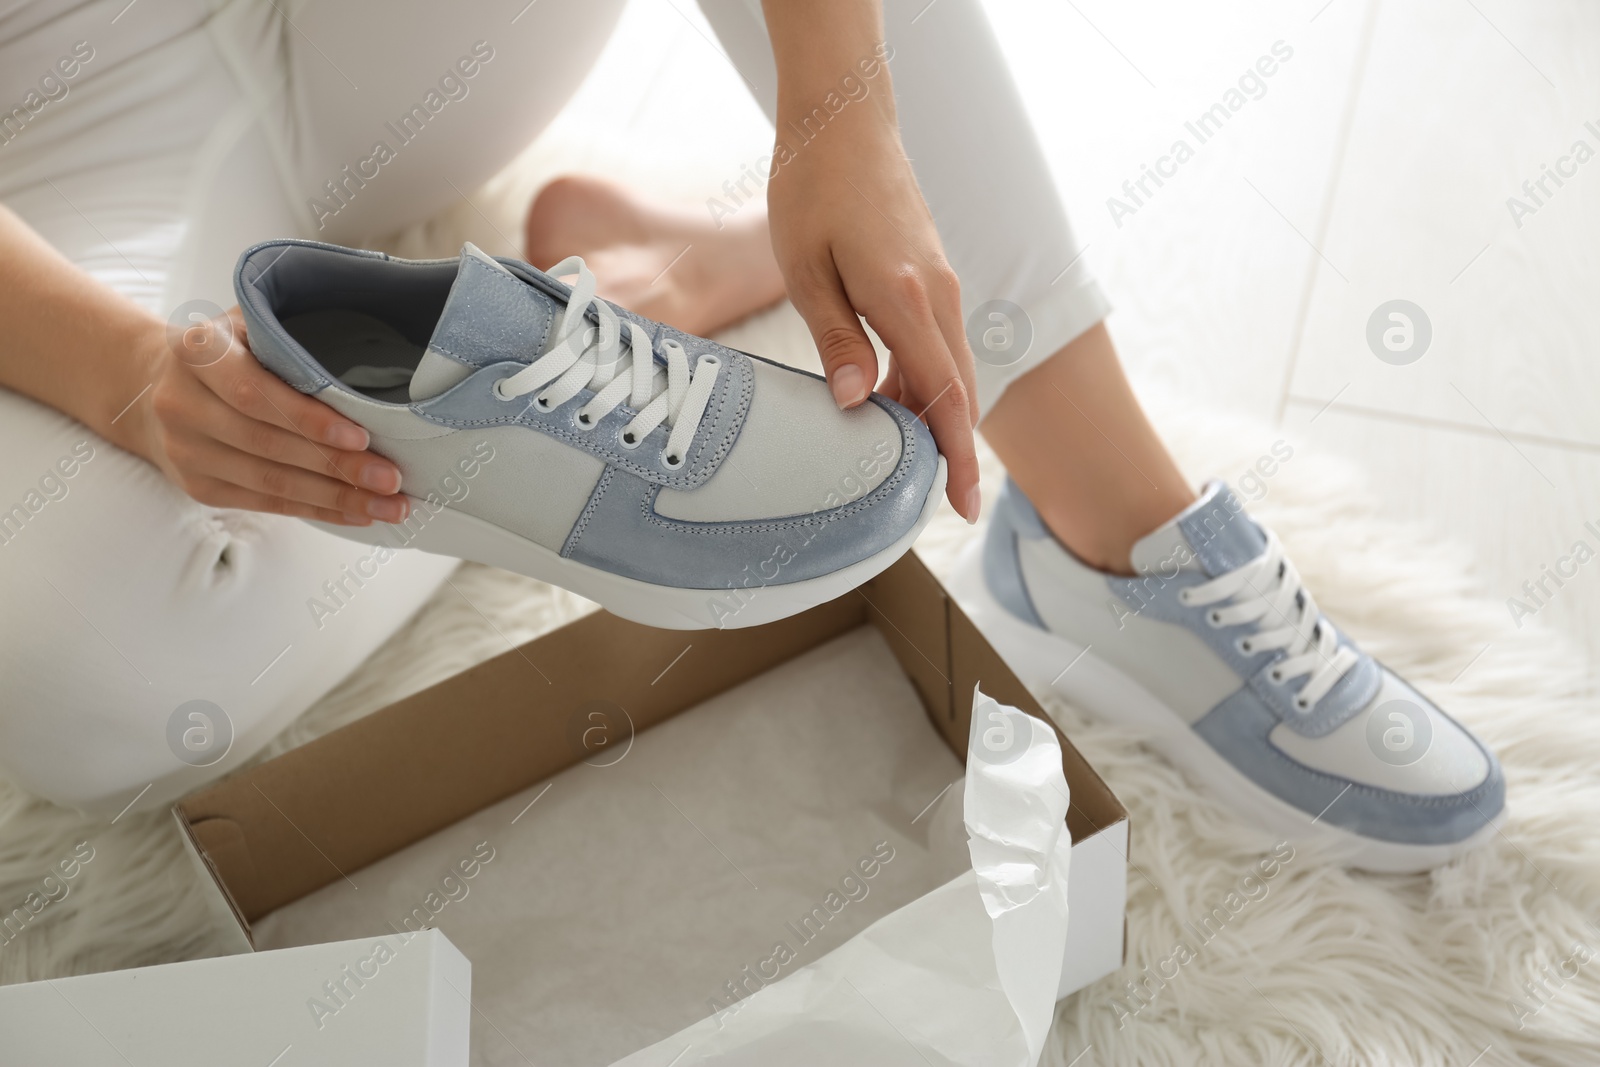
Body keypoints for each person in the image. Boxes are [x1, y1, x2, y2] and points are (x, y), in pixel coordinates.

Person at [0, 0, 1501, 869]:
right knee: (87, 677)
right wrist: (125, 375)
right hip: (56, 140)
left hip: (379, 41)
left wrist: (842, 112)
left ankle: (1115, 533)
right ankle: (634, 320)